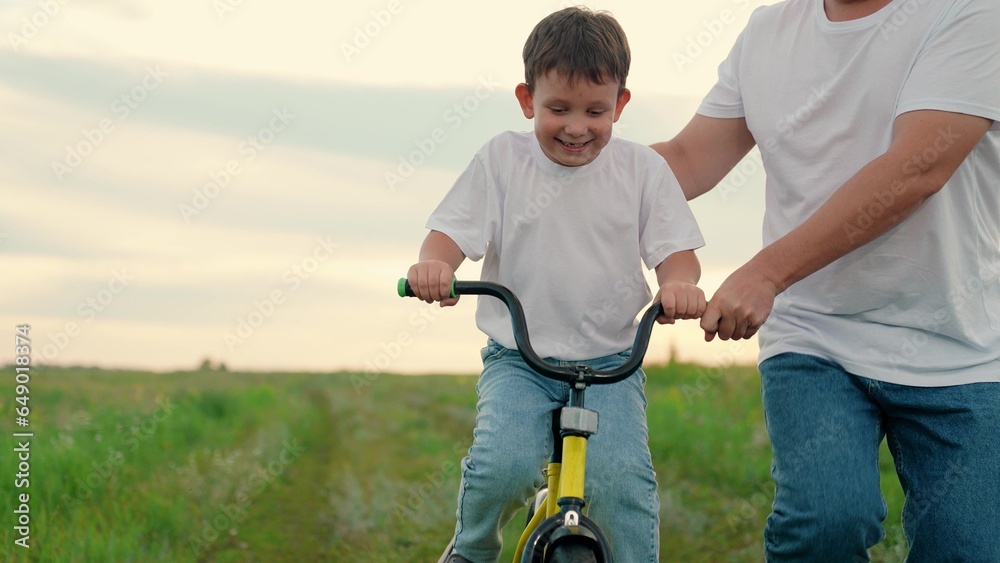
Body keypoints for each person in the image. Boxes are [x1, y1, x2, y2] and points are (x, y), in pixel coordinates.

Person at [652, 0, 1000, 560]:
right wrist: (559, 171)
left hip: (959, 345)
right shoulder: (768, 30)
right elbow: (689, 160)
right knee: (824, 525)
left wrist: (766, 272)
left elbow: (917, 169)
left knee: (968, 550)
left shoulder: (971, 12)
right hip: (815, 335)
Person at [406, 7, 706, 562]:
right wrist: (436, 266)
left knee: (622, 485)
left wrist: (679, 285)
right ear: (527, 101)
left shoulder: (641, 171)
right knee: (502, 466)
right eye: (558, 109)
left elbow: (678, 257)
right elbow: (447, 235)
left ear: (621, 104)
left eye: (596, 110)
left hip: (614, 362)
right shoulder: (503, 160)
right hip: (521, 358)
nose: (576, 126)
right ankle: (471, 549)